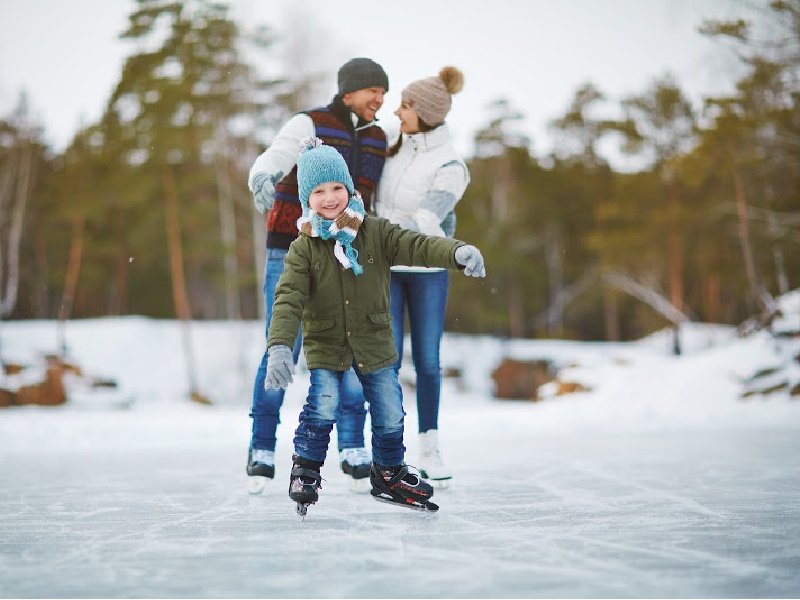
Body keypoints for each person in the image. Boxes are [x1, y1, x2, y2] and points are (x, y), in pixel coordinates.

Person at [264, 137, 486, 515]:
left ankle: (388, 473)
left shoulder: (376, 232)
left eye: (337, 187)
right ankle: (305, 469)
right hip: (327, 344)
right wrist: (280, 345)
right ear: (307, 199)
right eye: (319, 191)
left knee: (390, 410)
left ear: (350, 190)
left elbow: (417, 245)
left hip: (375, 342)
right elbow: (288, 299)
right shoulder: (304, 248)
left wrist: (455, 251)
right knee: (325, 403)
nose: (330, 197)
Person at [245, 58, 390, 494]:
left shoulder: (382, 136)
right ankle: (262, 445)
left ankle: (351, 445)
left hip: (345, 252)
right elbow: (276, 155)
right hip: (289, 248)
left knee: (350, 343)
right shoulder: (310, 123)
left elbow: (406, 177)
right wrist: (262, 176)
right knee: (281, 342)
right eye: (373, 92)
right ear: (349, 93)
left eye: (384, 92)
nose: (380, 99)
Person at [373, 66, 469, 486]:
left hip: (427, 270)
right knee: (386, 360)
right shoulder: (392, 150)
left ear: (427, 112)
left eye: (407, 106)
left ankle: (429, 445)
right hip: (387, 270)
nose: (398, 111)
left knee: (427, 361)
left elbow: (429, 219)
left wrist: (386, 228)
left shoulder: (451, 165)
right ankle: (387, 450)